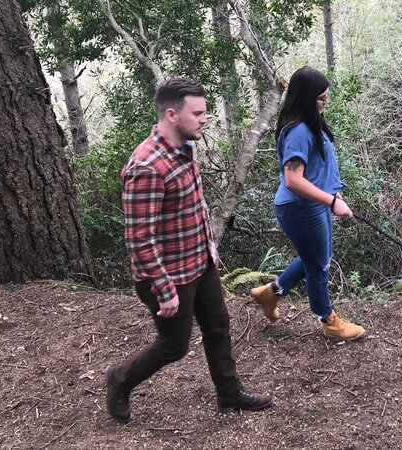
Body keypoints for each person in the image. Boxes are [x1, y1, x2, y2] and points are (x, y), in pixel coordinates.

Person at [106, 78, 272, 423]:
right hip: (167, 276)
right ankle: (120, 379)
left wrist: (208, 248)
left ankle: (229, 395)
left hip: (198, 263)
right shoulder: (146, 168)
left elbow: (192, 208)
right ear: (171, 114)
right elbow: (139, 239)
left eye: (205, 112)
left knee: (218, 327)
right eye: (197, 113)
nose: (204, 119)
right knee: (174, 346)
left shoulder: (184, 148)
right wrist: (164, 291)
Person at [250, 66, 366, 341]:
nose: (325, 102)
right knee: (318, 266)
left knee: (317, 258)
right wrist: (331, 201)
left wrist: (333, 196)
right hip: (301, 208)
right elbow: (293, 179)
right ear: (305, 98)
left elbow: (316, 170)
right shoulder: (299, 131)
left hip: (315, 205)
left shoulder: (309, 124)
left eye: (326, 97)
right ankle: (329, 321)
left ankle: (270, 293)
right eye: (321, 98)